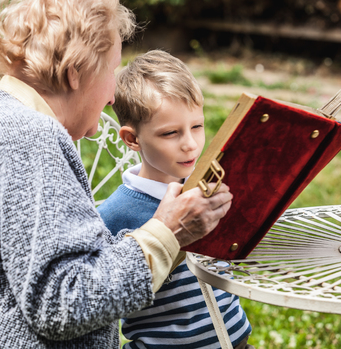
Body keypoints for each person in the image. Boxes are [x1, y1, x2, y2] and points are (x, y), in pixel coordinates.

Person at [0, 1, 233, 348]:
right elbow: (65, 303)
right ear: (76, 71)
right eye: (111, 70)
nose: (113, 94)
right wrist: (167, 233)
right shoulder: (28, 138)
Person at [98, 50, 254, 349]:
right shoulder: (115, 215)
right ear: (132, 139)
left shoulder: (211, 189)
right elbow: (107, 297)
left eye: (197, 126)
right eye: (170, 133)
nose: (190, 144)